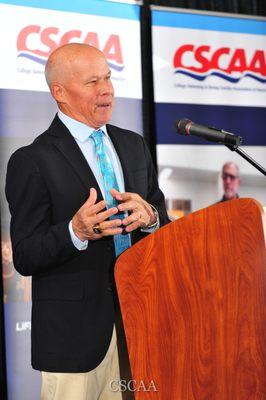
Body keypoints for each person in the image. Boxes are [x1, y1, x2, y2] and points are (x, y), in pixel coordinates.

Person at [5, 43, 169, 400]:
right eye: (93, 81)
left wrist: (152, 217)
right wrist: (74, 232)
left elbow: (163, 217)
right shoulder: (32, 160)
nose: (107, 89)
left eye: (108, 77)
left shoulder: (133, 145)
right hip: (73, 341)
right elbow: (26, 254)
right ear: (60, 92)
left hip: (141, 327)